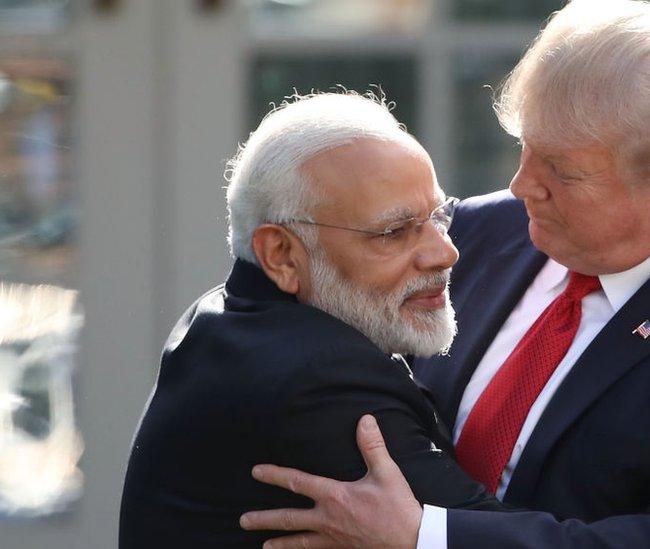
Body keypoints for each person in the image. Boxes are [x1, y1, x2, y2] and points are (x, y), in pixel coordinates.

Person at [240, 1, 650, 547]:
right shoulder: (478, 234)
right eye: (526, 145)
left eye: (561, 169)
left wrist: (429, 537)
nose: (521, 185)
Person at [118, 92, 507, 548]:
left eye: (438, 218)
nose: (446, 253)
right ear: (281, 255)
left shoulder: (224, 317)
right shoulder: (321, 381)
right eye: (394, 232)